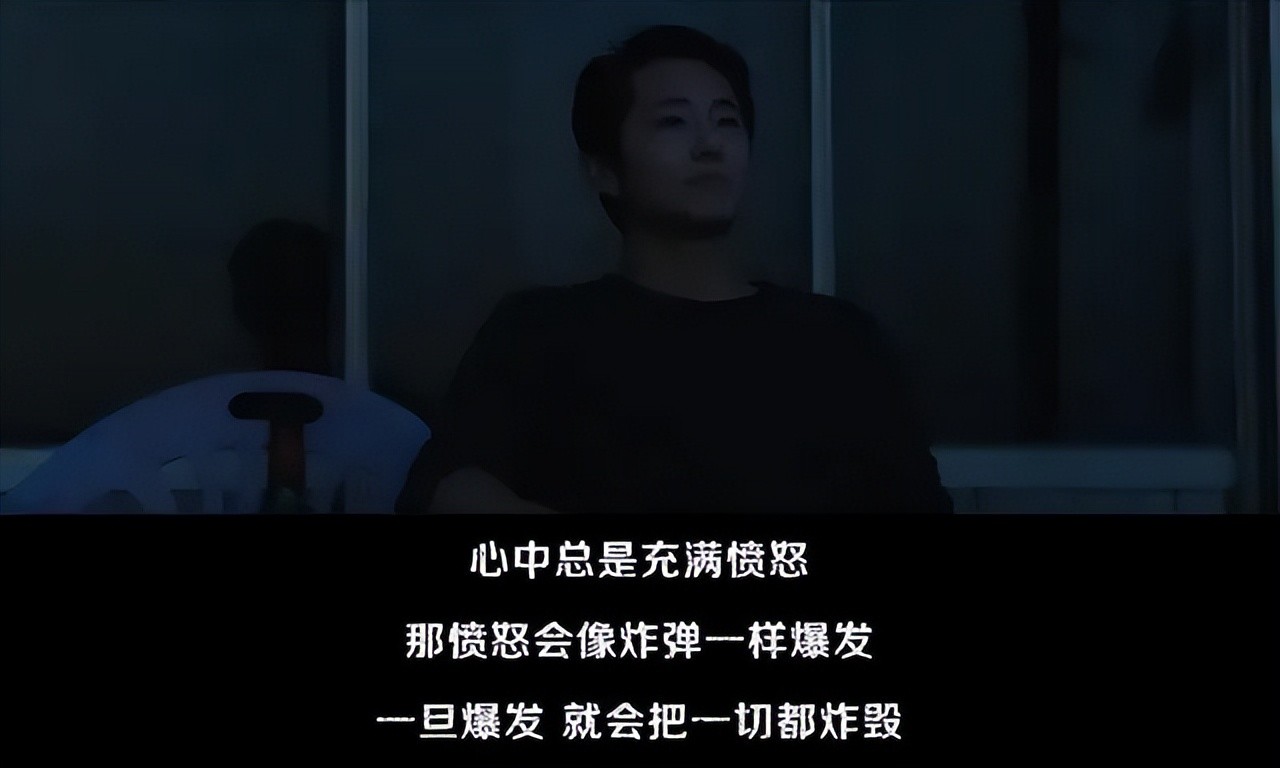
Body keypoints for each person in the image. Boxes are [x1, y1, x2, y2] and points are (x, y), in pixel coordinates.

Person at [397, 25, 953, 514]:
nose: (710, 145)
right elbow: (444, 485)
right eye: (674, 122)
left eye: (727, 121)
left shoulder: (838, 340)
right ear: (604, 170)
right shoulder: (540, 331)